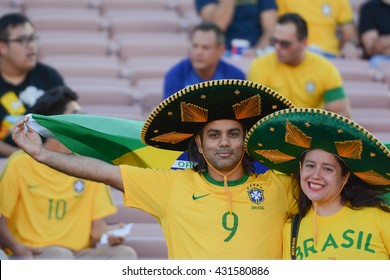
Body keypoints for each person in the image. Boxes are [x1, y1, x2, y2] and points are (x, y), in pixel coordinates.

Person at [12, 79, 298, 259]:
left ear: (246, 142)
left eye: (234, 134)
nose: (224, 142)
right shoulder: (171, 186)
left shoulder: (280, 186)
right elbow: (100, 171)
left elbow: (330, 176)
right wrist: (42, 155)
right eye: (214, 135)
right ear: (198, 143)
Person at [0, 86, 137, 260]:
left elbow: (96, 228)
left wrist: (109, 233)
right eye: (75, 114)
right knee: (60, 256)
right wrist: (19, 249)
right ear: (55, 123)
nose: (81, 120)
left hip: (78, 254)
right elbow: (1, 222)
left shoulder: (89, 164)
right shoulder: (19, 163)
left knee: (125, 254)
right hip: (35, 254)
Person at [245, 107, 390, 260]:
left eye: (327, 169)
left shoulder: (379, 216)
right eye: (310, 165)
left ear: (344, 177)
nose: (316, 175)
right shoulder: (292, 229)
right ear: (300, 169)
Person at [248, 13, 352, 118]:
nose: (277, 47)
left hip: (310, 130)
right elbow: (254, 113)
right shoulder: (260, 65)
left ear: (303, 43)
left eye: (285, 44)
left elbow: (342, 113)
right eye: (274, 41)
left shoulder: (325, 68)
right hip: (272, 129)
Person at [0, 13, 65, 158]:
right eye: (22, 40)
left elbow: (67, 122)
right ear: (2, 47)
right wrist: (27, 158)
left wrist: (44, 157)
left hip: (49, 162)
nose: (32, 45)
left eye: (34, 38)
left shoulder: (49, 76)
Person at [163, 21, 245, 99]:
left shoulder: (235, 77)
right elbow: (171, 112)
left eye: (205, 47)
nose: (198, 52)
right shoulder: (176, 75)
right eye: (195, 46)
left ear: (220, 50)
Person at [276, 0, 361, 59]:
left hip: (328, 55)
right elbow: (276, 29)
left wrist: (350, 44)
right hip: (295, 53)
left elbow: (350, 34)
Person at [195, 0, 277, 54]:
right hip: (222, 52)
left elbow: (270, 30)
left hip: (256, 50)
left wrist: (256, 52)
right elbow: (217, 26)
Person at [358, 0, 390, 69]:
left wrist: (385, 41)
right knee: (376, 62)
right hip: (383, 59)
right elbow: (371, 48)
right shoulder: (369, 8)